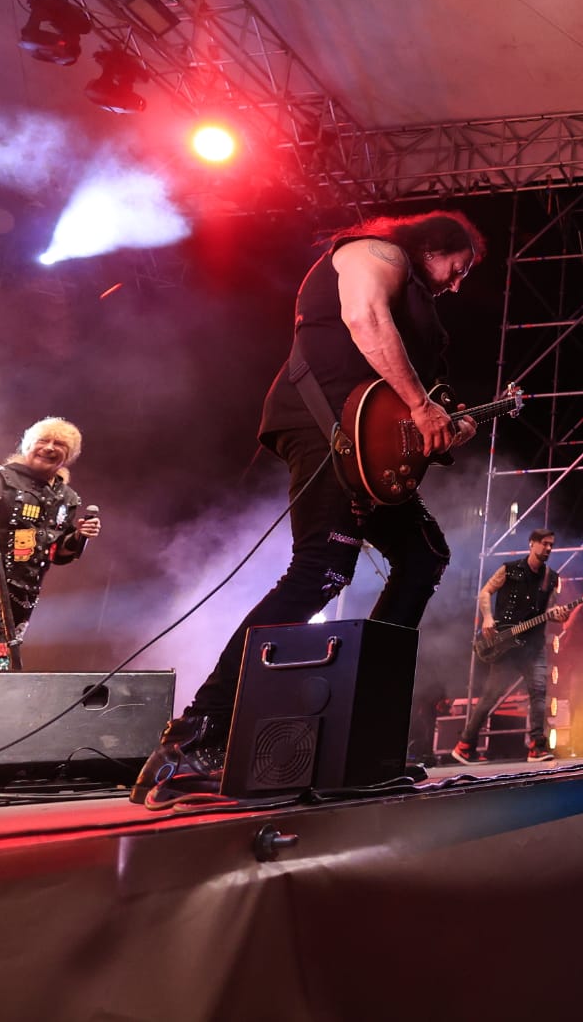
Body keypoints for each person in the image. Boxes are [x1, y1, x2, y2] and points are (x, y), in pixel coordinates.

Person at [135, 210, 487, 799]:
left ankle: (361, 734)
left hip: (366, 447)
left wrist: (446, 422)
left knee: (423, 556)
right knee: (320, 570)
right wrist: (422, 406)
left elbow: (413, 397)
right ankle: (194, 736)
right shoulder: (376, 252)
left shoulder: (421, 303)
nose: (459, 282)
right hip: (326, 428)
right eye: (460, 266)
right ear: (435, 244)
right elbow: (363, 317)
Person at [0, 417, 101, 669]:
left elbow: (57, 552)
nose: (49, 448)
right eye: (43, 441)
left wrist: (80, 536)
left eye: (59, 444)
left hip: (23, 599)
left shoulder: (67, 498)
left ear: (69, 455)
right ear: (28, 445)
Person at [453, 528, 570, 763]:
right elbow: (485, 592)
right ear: (532, 544)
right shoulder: (509, 569)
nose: (548, 548)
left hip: (534, 646)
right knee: (490, 696)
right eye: (544, 543)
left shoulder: (551, 577)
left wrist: (559, 615)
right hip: (506, 646)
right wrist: (487, 617)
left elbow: (550, 609)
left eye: (551, 545)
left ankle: (537, 747)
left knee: (539, 694)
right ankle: (464, 744)